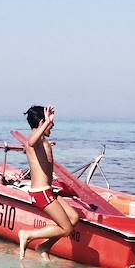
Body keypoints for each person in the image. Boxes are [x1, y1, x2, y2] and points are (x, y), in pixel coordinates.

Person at [18, 104, 79, 260]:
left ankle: (45, 246)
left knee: (73, 218)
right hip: (41, 193)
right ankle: (28, 235)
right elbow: (31, 142)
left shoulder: (43, 142)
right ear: (41, 123)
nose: (53, 125)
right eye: (50, 123)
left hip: (49, 191)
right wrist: (46, 122)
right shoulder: (34, 142)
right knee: (66, 229)